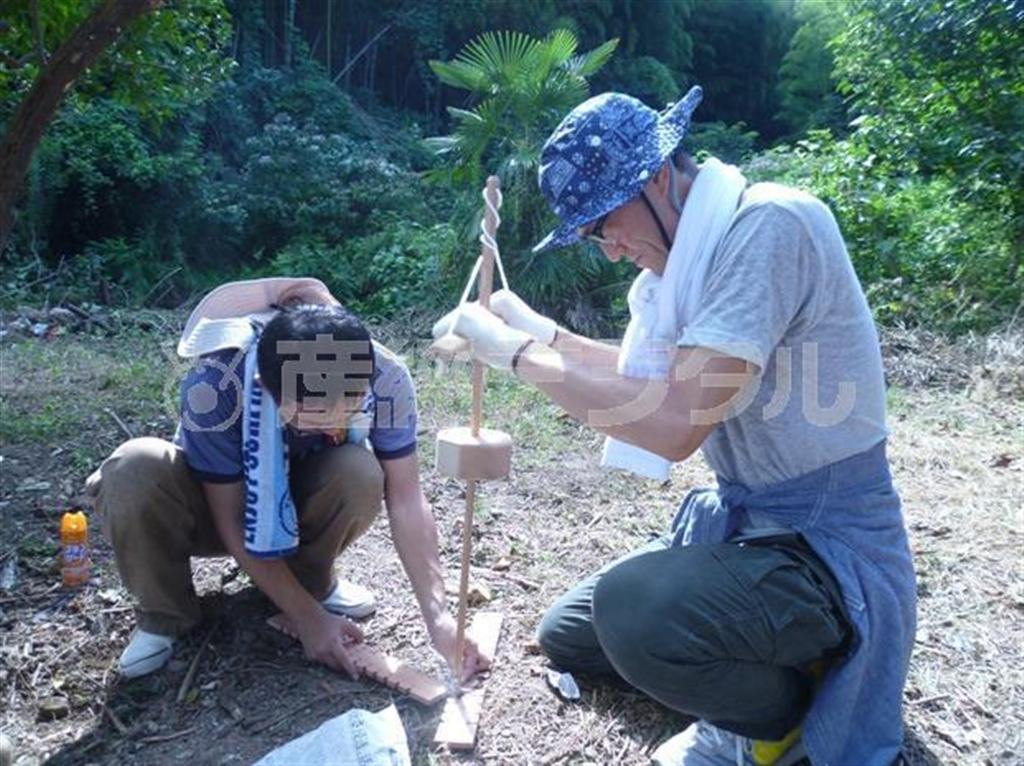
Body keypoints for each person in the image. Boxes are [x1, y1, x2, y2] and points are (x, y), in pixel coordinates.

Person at [437, 89, 916, 765]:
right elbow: (658, 381)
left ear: (658, 177)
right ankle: (753, 664)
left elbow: (672, 421)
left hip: (825, 544)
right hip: (759, 529)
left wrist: (516, 355)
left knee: (636, 614)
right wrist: (540, 333)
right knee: (571, 631)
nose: (609, 250)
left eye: (606, 223)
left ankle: (779, 719)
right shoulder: (689, 268)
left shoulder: (768, 228)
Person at [87, 277, 487, 683]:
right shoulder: (215, 387)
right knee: (134, 465)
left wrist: (439, 618)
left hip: (298, 500)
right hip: (211, 507)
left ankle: (310, 586)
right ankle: (165, 616)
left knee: (359, 470)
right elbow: (234, 518)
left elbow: (406, 499)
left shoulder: (386, 378)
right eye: (314, 413)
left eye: (348, 408)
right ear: (268, 387)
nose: (335, 421)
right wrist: (307, 621)